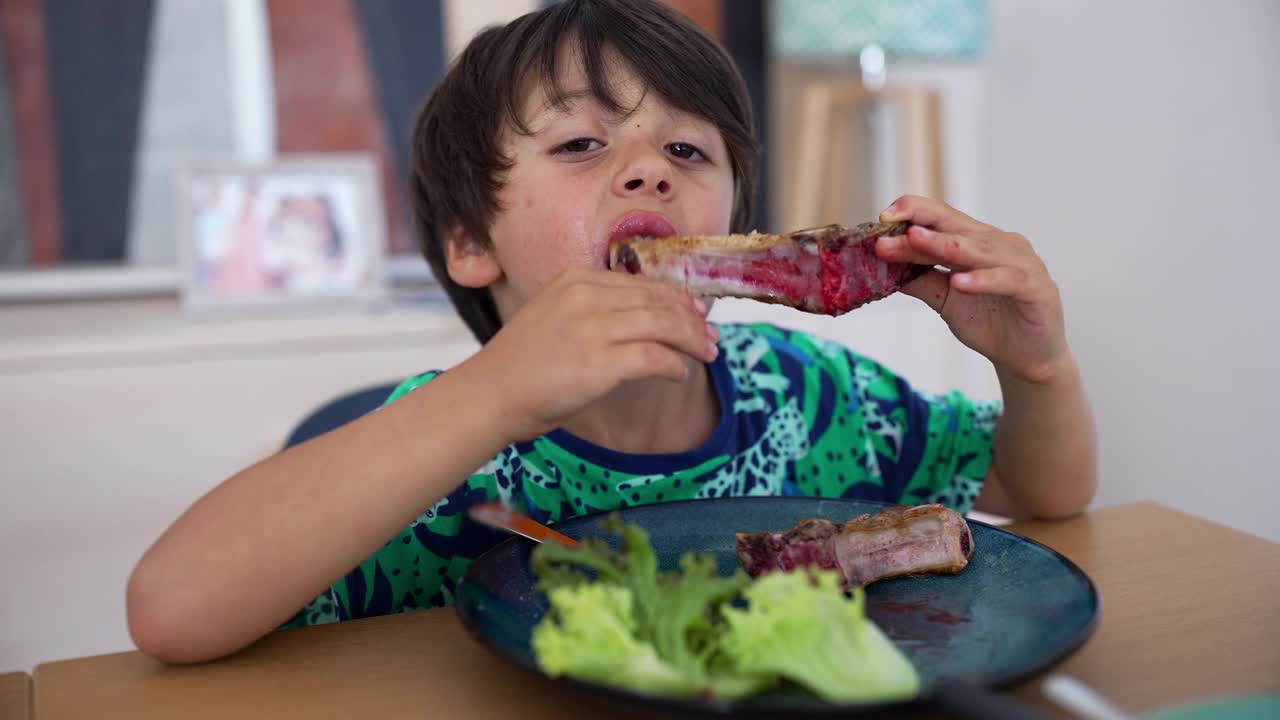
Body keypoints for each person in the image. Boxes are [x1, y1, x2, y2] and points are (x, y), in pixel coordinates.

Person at [126, 0, 1096, 663]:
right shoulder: (438, 448)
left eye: (685, 147)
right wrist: (487, 396)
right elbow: (168, 611)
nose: (647, 170)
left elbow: (1039, 490)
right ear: (470, 241)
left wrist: (1034, 365)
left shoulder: (816, 396)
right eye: (582, 144)